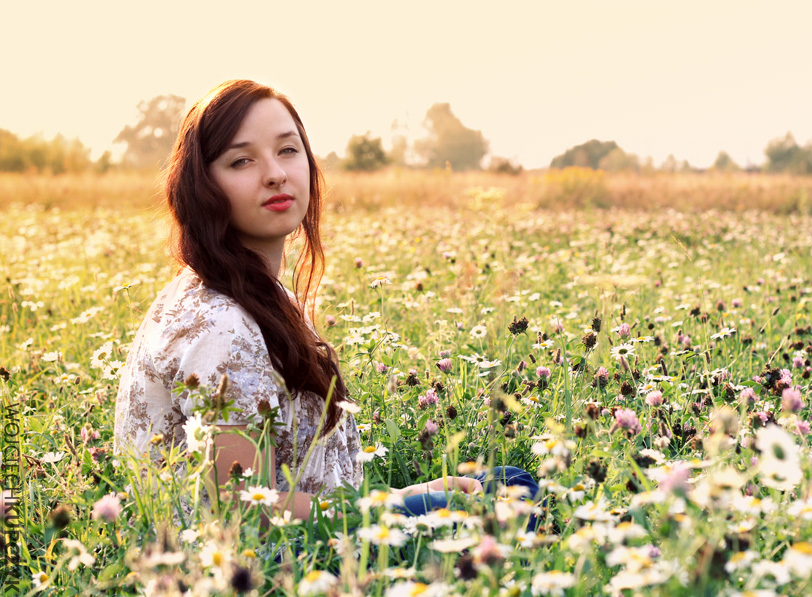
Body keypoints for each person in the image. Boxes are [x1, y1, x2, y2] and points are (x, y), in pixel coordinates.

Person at [113, 79, 537, 528]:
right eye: (242, 160)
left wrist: (412, 493)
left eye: (288, 150)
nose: (275, 173)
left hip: (324, 526)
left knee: (511, 483)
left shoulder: (259, 295)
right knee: (507, 510)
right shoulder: (221, 324)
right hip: (270, 564)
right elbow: (242, 510)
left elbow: (311, 481)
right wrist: (390, 510)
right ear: (202, 186)